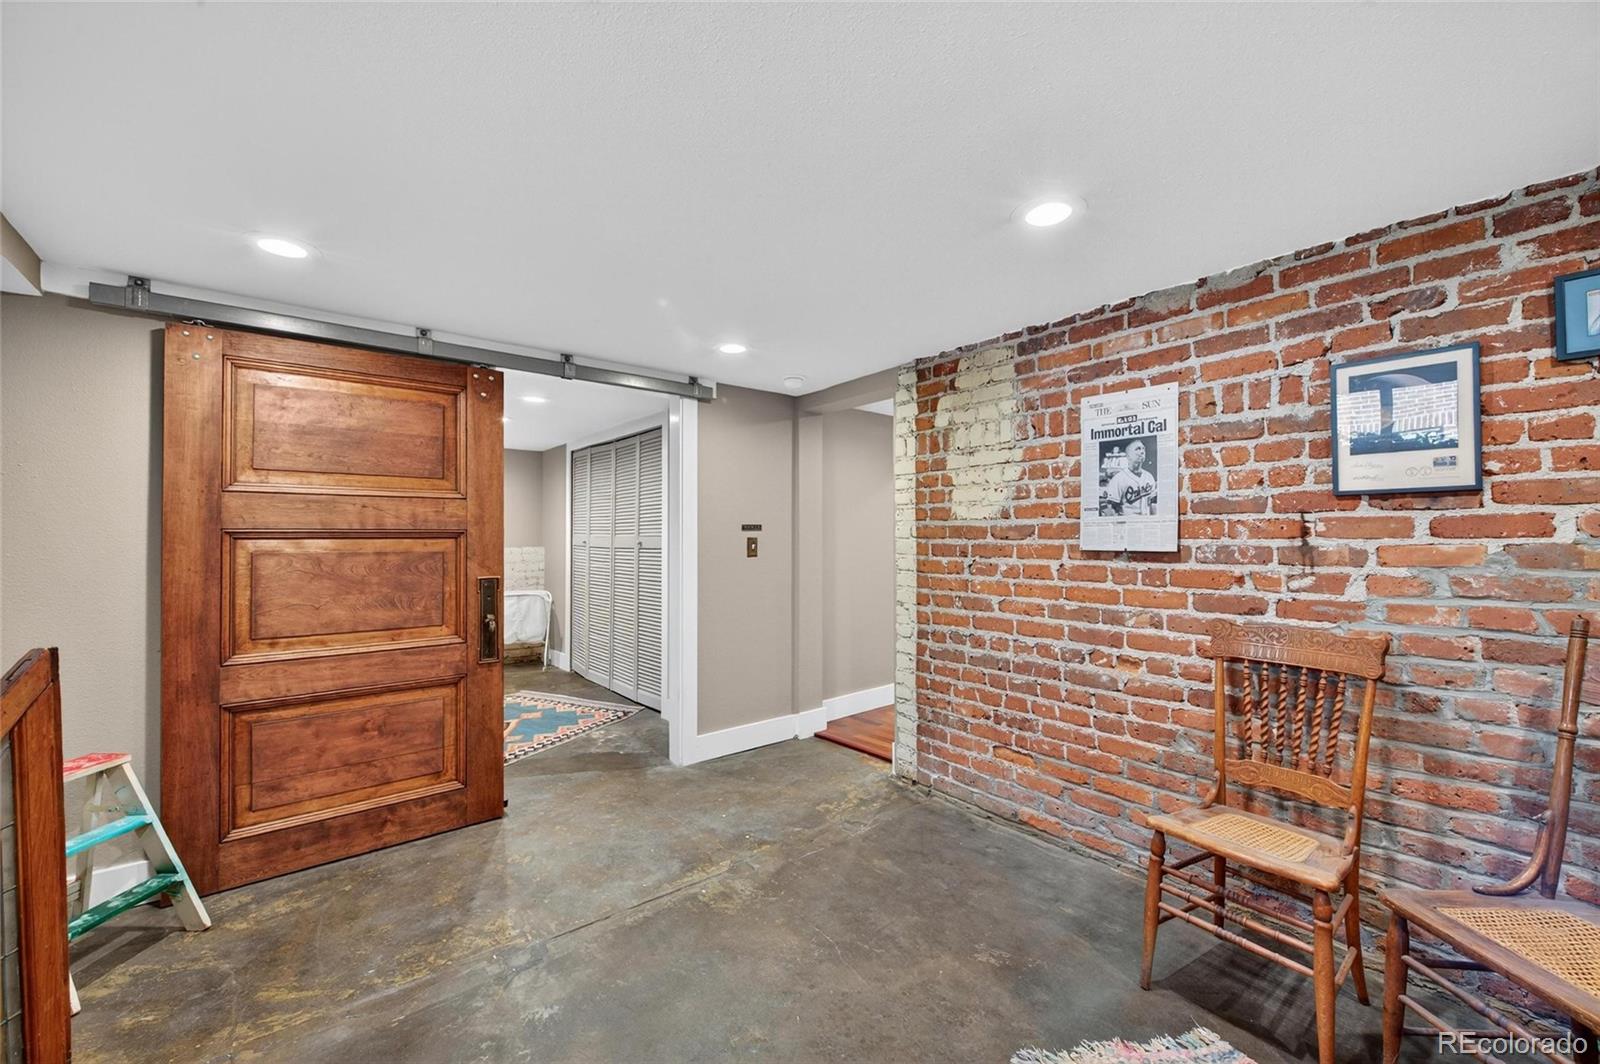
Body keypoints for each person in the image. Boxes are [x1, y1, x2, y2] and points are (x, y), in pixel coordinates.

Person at [1106, 440, 1156, 515]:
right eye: (1138, 449)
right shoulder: (1118, 479)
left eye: (1143, 449)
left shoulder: (1149, 476)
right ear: (1128, 455)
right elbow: (1111, 508)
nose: (1142, 452)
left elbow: (1153, 503)